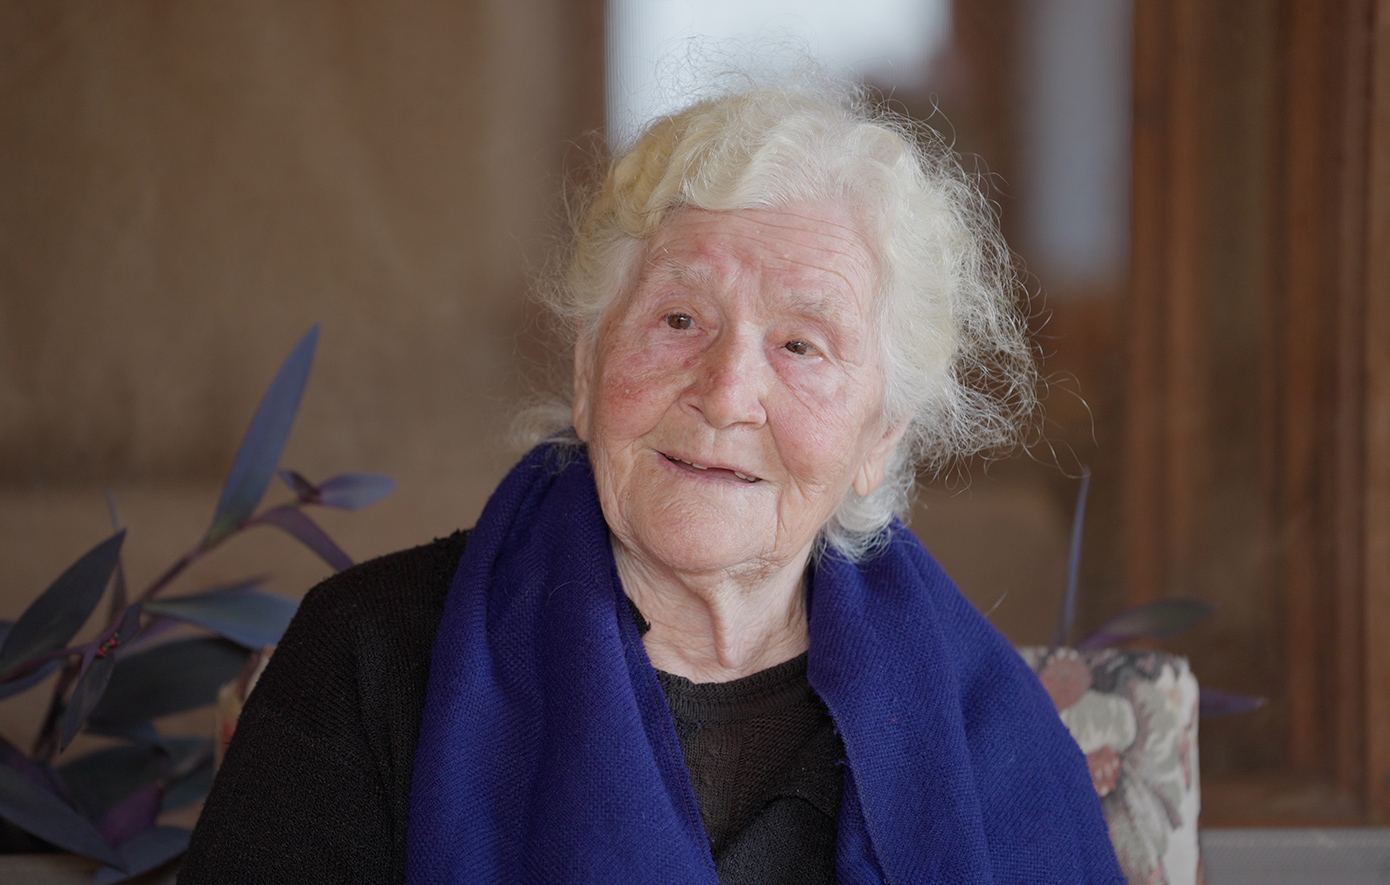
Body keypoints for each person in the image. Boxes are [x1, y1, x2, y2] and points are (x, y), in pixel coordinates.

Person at [180, 78, 1123, 884]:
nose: (726, 392)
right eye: (679, 320)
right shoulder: (368, 657)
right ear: (588, 373)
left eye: (801, 345)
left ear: (880, 437)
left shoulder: (991, 741)